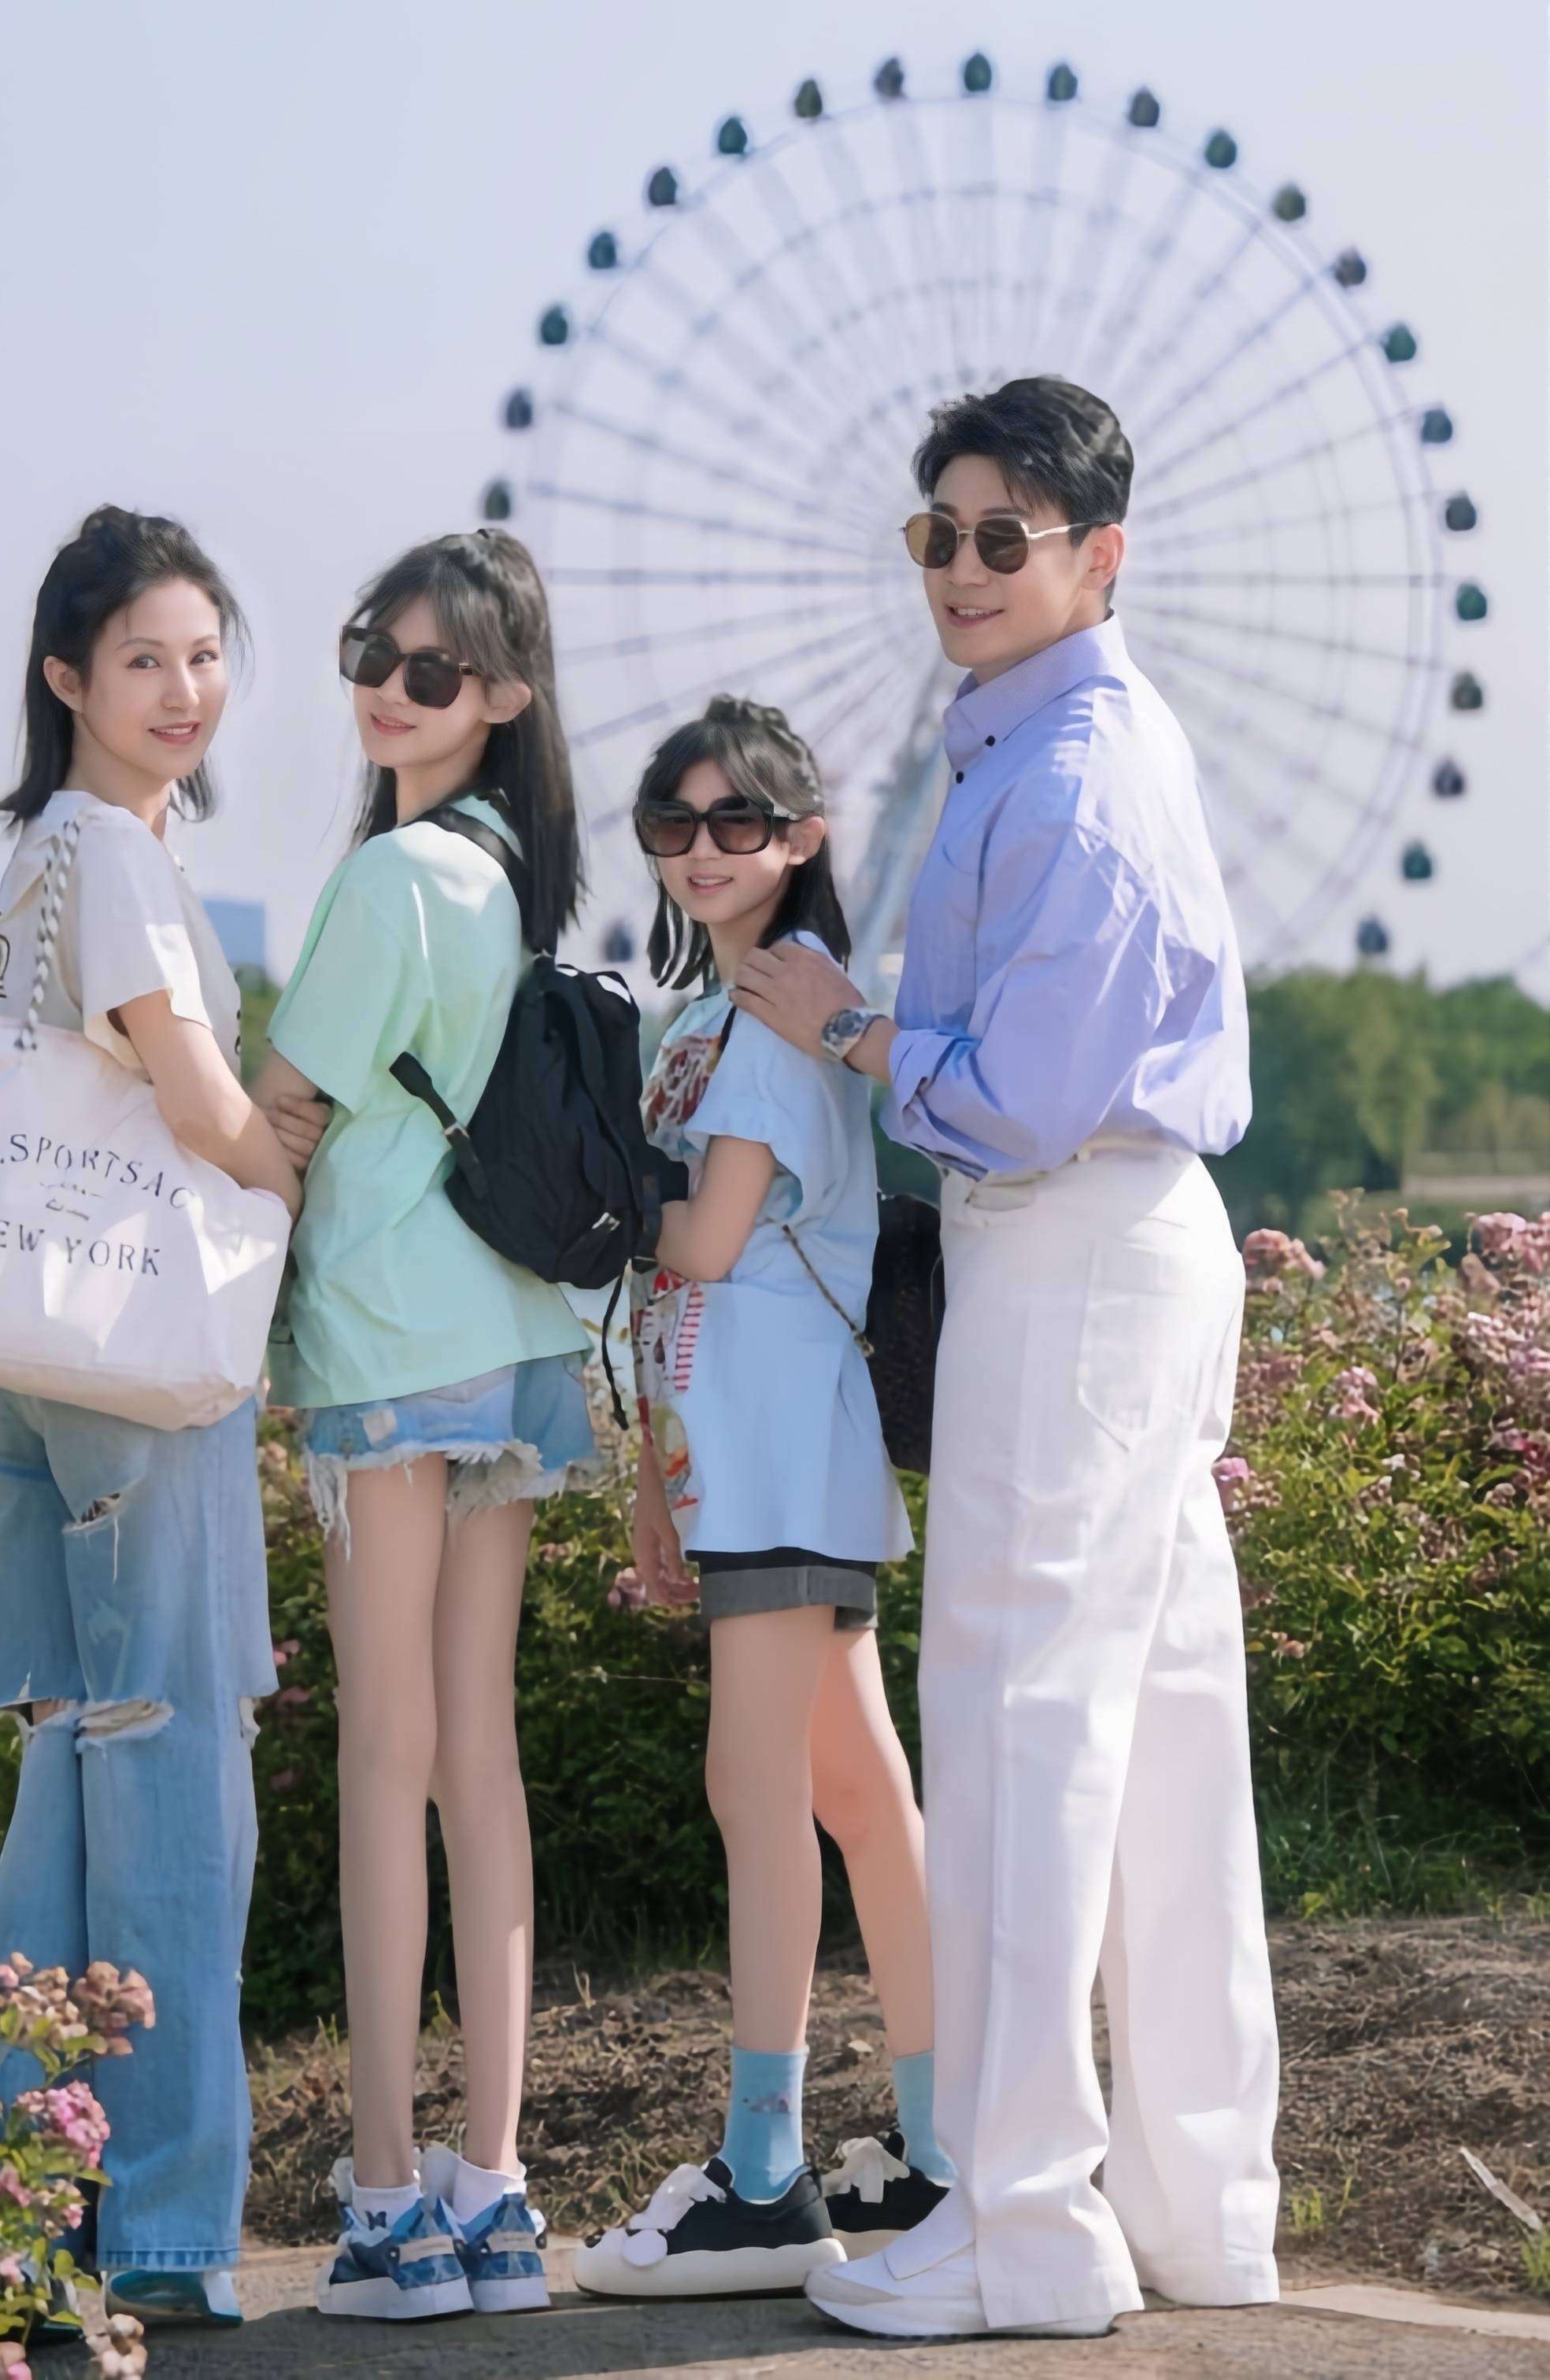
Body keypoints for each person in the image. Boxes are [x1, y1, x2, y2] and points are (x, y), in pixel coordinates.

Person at [734, 378, 1281, 2341]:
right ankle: (1193, 2208)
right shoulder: (1073, 743)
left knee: (1013, 1717)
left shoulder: (1067, 776)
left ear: (1098, 555)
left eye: (1000, 538)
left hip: (1064, 1238)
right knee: (1159, 1724)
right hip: (1128, 1239)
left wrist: (848, 1028)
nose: (958, 572)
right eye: (936, 536)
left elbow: (1025, 1094)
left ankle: (1019, 2222)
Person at [0, 506, 305, 2338]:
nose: (184, 691)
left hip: (22, 1343)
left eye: (205, 656)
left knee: (77, 1766)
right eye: (145, 660)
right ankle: (164, 2227)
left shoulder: (42, 855)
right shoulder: (114, 852)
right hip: (135, 1356)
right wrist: (297, 1184)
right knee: (174, 1770)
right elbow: (193, 1100)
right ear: (67, 678)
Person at [256, 529, 595, 2323]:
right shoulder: (516, 880)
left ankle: (386, 2202)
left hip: (389, 1343)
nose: (389, 690)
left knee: (386, 1753)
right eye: (368, 655)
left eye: (433, 670)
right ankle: (497, 2196)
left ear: (504, 695)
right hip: (516, 1341)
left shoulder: (390, 877)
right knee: (482, 1757)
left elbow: (281, 1114)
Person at [572, 697, 949, 2302]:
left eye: (738, 822)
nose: (702, 849)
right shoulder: (716, 1017)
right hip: (754, 1450)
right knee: (854, 1791)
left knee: (760, 1793)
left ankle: (765, 2171)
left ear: (801, 838)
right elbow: (690, 1288)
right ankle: (942, 2146)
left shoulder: (781, 1013)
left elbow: (707, 1245)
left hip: (784, 1448)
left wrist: (561, 1190)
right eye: (674, 823)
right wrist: (658, 1478)